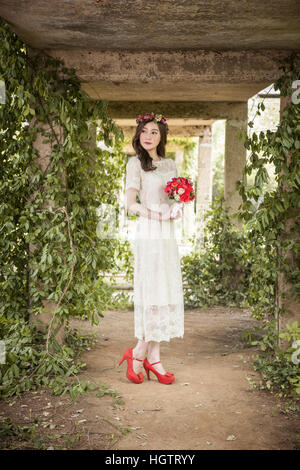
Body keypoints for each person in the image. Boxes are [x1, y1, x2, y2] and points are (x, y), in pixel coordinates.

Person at [118, 113, 184, 385]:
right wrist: (156, 215)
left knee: (164, 289)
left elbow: (175, 196)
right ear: (138, 134)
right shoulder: (135, 164)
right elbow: (129, 203)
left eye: (154, 132)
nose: (148, 136)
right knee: (152, 290)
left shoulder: (169, 164)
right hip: (148, 230)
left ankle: (145, 354)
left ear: (161, 136)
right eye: (144, 131)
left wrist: (178, 206)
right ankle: (145, 356)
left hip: (166, 233)